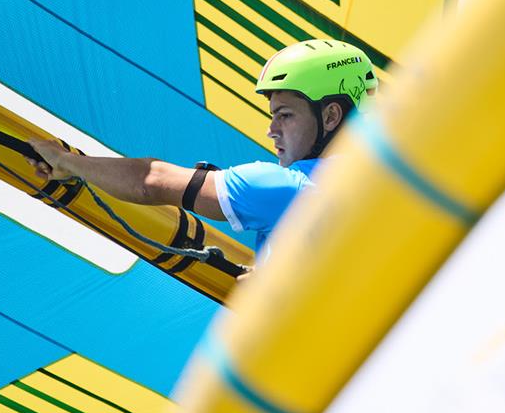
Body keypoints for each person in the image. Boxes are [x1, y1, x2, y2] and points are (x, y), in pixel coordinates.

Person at [27, 39, 378, 266]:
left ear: (330, 115)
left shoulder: (285, 188)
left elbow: (151, 181)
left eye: (284, 115)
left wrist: (68, 162)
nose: (272, 131)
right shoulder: (388, 194)